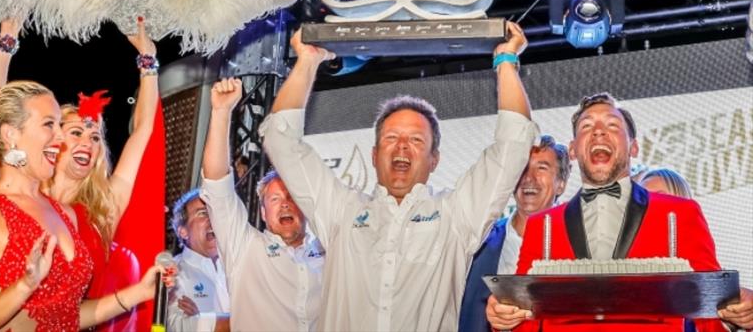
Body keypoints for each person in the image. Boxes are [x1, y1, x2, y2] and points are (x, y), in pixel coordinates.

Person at [260, 22, 538, 331]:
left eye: (417, 141)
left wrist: (506, 61)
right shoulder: (340, 211)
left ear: (435, 160)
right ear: (374, 155)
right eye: (391, 138)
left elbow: (514, 144)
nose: (402, 146)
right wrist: (308, 60)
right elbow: (279, 139)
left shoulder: (456, 215)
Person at [486, 92, 753, 331]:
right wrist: (504, 319)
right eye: (587, 126)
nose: (599, 132)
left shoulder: (680, 214)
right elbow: (523, 315)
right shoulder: (541, 226)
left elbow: (710, 307)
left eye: (612, 125)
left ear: (633, 147)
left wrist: (735, 316)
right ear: (574, 149)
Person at [0, 16, 162, 330]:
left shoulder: (104, 210)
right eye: (76, 132)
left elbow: (143, 129)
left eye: (94, 137)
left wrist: (149, 61)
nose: (87, 142)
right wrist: (6, 43)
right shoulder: (16, 191)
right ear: (54, 139)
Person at [200, 78, 324, 331]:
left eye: (292, 198)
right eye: (275, 199)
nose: (286, 205)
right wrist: (221, 113)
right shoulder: (245, 247)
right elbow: (217, 185)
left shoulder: (329, 252)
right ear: (264, 213)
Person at [460, 135, 571, 332]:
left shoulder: (576, 245)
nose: (529, 177)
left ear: (561, 183)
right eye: (522, 168)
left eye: (542, 168)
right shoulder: (479, 242)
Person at [167, 189, 231, 332]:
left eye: (216, 213)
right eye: (203, 213)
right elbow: (176, 326)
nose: (213, 219)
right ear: (183, 231)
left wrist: (201, 319)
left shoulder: (236, 267)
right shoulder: (174, 273)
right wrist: (243, 322)